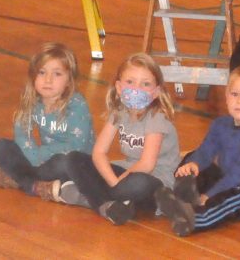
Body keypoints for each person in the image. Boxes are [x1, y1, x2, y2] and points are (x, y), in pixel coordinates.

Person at [154, 65, 240, 236]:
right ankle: (183, 199)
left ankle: (194, 219)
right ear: (226, 96)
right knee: (192, 160)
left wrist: (210, 195)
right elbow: (206, 151)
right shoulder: (221, 124)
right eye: (235, 94)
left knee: (224, 202)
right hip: (226, 176)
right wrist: (194, 164)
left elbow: (239, 175)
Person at [57, 53, 181, 224]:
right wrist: (113, 181)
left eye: (145, 84)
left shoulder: (156, 117)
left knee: (138, 183)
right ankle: (107, 205)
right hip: (126, 173)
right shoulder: (119, 112)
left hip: (155, 179)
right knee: (73, 159)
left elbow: (147, 164)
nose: (137, 89)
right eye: (130, 82)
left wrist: (117, 184)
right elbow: (99, 152)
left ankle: (88, 197)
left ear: (156, 92)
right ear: (119, 87)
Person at [0, 42, 95, 198]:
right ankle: (36, 186)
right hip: (39, 159)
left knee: (63, 163)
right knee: (2, 147)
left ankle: (19, 179)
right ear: (33, 76)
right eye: (42, 72)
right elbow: (22, 133)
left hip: (72, 162)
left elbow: (76, 146)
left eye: (57, 74)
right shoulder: (33, 100)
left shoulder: (77, 106)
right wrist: (33, 156)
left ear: (69, 81)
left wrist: (39, 155)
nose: (48, 80)